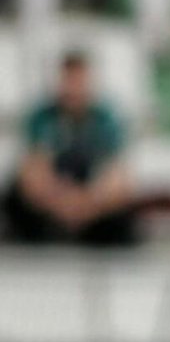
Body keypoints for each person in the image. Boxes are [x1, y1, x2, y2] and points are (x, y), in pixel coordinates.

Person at [2, 51, 140, 247]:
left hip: (92, 207)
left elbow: (116, 177)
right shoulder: (42, 117)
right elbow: (34, 173)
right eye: (69, 81)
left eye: (79, 81)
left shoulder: (106, 120)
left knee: (126, 209)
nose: (74, 89)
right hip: (52, 206)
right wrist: (63, 203)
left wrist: (87, 203)